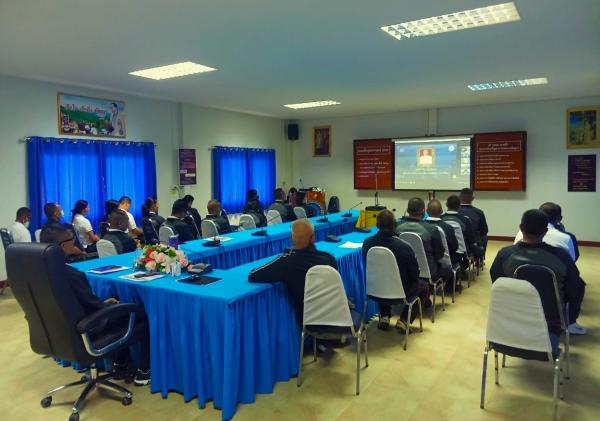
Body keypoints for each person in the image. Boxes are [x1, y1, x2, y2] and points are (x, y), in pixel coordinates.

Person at [39, 223, 150, 384]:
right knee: (140, 314)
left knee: (115, 308)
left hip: (56, 331)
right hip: (87, 330)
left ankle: (121, 363)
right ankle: (144, 371)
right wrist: (106, 305)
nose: (75, 242)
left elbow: (75, 304)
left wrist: (102, 303)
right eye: (72, 239)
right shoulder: (72, 275)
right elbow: (94, 307)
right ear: (62, 246)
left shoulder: (38, 273)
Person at [491, 209, 586, 336]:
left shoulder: (505, 254)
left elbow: (497, 283)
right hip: (551, 320)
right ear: (546, 231)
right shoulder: (561, 256)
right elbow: (574, 288)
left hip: (515, 315)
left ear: (521, 228)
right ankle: (570, 324)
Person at [248, 219, 338, 323]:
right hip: (337, 314)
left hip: (311, 320)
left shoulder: (287, 262)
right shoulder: (329, 258)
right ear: (313, 238)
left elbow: (253, 275)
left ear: (291, 238)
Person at [362, 210, 430, 330]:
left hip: (375, 289)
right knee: (424, 287)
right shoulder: (404, 246)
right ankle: (404, 320)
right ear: (395, 225)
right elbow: (414, 274)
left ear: (377, 225)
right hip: (401, 292)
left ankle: (384, 316)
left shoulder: (367, 243)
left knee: (382, 278)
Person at [396, 198, 452, 287]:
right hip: (429, 272)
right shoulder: (432, 230)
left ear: (407, 210)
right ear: (423, 211)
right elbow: (439, 255)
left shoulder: (397, 227)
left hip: (403, 270)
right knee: (448, 269)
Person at [442, 195, 484, 259]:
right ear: (459, 206)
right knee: (480, 250)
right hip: (462, 252)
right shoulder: (465, 220)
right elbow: (471, 240)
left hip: (444, 251)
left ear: (446, 204)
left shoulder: (441, 219)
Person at [425, 200, 459, 266]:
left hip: (423, 263)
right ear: (441, 211)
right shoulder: (448, 228)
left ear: (427, 211)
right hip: (443, 264)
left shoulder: (421, 226)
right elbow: (454, 247)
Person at [459, 188, 488, 252]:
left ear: (459, 198)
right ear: (472, 198)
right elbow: (484, 230)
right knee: (485, 236)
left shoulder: (455, 212)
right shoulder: (479, 212)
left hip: (457, 245)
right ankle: (481, 254)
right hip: (474, 245)